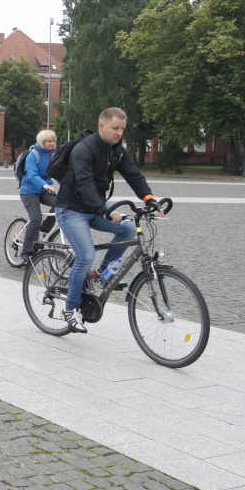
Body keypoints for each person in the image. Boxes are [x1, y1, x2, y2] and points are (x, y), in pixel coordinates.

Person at [55, 107, 161, 333]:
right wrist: (103, 210)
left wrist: (149, 198)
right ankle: (70, 309)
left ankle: (103, 277)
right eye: (115, 128)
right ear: (101, 125)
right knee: (85, 255)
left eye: (122, 129)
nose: (119, 133)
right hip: (71, 210)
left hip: (94, 209)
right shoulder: (83, 150)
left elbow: (133, 174)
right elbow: (84, 184)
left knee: (128, 229)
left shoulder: (117, 151)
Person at [18, 130, 58, 261]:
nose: (52, 143)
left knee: (63, 202)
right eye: (49, 141)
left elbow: (59, 173)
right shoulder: (33, 155)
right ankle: (26, 251)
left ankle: (46, 227)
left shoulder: (53, 155)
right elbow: (32, 175)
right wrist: (44, 185)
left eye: (53, 141)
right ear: (42, 142)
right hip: (29, 191)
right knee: (35, 219)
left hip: (43, 190)